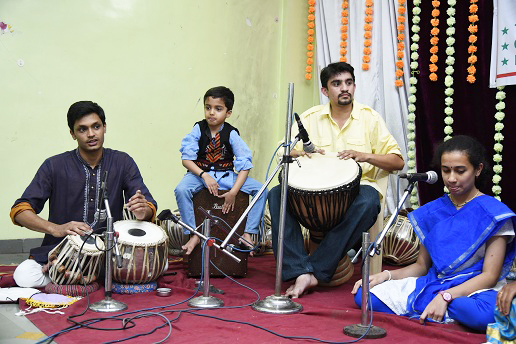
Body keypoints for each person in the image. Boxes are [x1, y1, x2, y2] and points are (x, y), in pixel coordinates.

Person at [352, 135, 516, 332]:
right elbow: (421, 266)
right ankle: (438, 308)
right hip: (434, 283)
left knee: (482, 314)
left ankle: (437, 305)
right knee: (363, 295)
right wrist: (385, 276)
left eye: (460, 171)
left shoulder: (494, 213)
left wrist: (446, 296)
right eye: (446, 170)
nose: (451, 178)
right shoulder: (434, 211)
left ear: (478, 170)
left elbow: (489, 276)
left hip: (476, 289)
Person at [268, 62, 404, 298]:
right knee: (277, 194)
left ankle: (314, 271)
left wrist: (365, 155)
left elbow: (397, 161)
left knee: (369, 200)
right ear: (325, 90)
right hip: (313, 194)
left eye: (349, 83)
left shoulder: (369, 119)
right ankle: (298, 268)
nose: (344, 89)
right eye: (337, 83)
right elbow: (284, 152)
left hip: (357, 194)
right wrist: (298, 153)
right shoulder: (310, 118)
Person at [10, 101, 157, 288]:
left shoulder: (123, 162)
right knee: (24, 275)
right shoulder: (54, 166)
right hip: (63, 251)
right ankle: (81, 276)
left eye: (96, 126)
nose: (91, 134)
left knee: (161, 264)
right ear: (72, 134)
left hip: (110, 252)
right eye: (82, 129)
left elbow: (149, 206)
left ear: (104, 127)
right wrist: (56, 229)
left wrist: (143, 210)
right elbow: (20, 210)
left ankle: (75, 279)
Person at [174, 86, 268, 255]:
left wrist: (233, 192)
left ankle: (248, 232)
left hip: (226, 175)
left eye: (218, 109)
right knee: (181, 189)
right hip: (199, 175)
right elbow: (186, 159)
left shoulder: (231, 133)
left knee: (261, 190)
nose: (211, 113)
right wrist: (204, 175)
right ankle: (194, 234)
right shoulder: (198, 129)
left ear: (228, 113)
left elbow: (245, 165)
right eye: (208, 107)